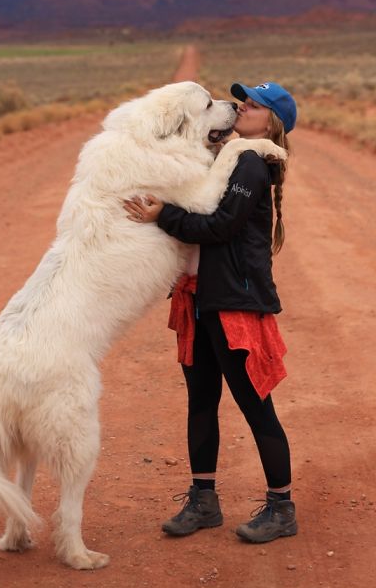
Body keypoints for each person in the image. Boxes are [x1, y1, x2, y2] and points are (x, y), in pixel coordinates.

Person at [124, 81, 297, 544]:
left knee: (255, 405)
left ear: (272, 122)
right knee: (201, 401)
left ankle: (282, 507)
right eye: (244, 99)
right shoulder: (228, 154)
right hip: (199, 296)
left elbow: (220, 226)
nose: (244, 106)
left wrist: (162, 216)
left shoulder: (251, 162)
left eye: (257, 104)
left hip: (234, 302)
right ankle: (204, 501)